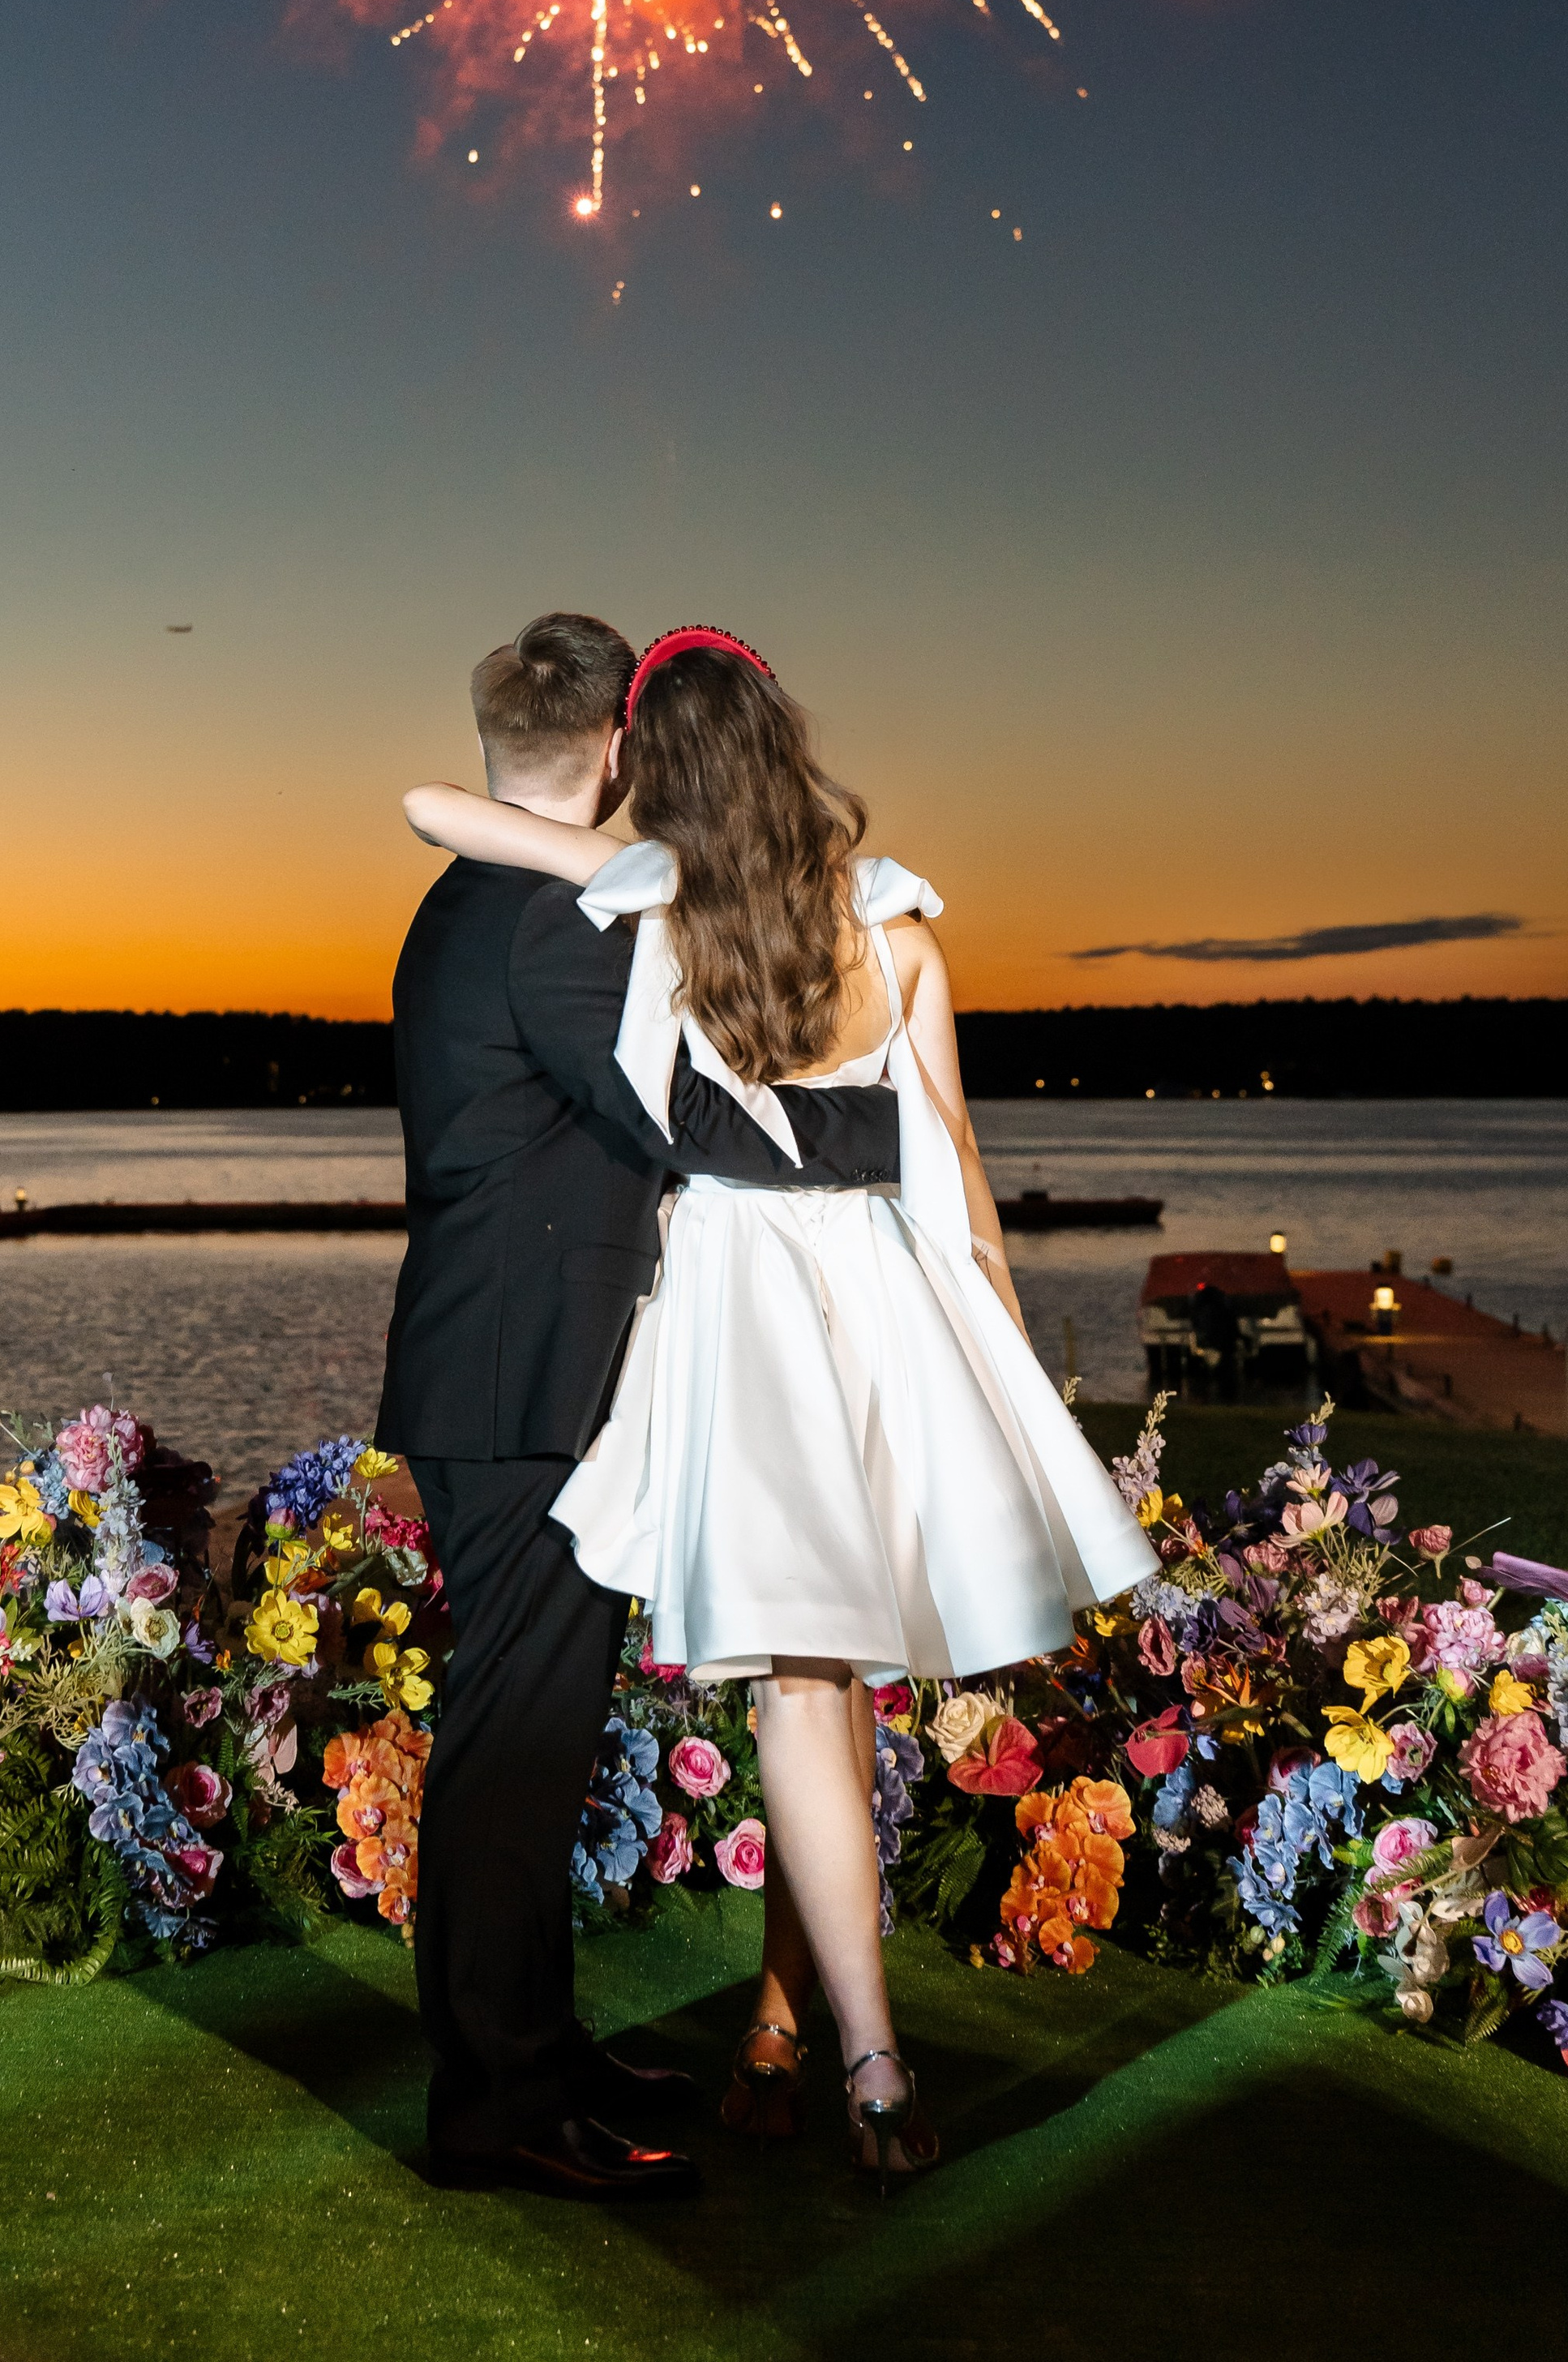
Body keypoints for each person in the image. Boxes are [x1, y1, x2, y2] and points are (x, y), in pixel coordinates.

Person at [405, 627, 1158, 2191]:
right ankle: (541, 2095)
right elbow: (810, 1141)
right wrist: (924, 1197)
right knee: (557, 1740)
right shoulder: (656, 931)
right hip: (593, 1368)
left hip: (621, 1355)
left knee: (642, 1719)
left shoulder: (574, 904)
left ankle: (591, 2052)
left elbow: (445, 809)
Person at [378, 613, 902, 2203]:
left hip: (501, 1371)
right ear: (617, 751)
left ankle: (537, 2052)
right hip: (521, 1385)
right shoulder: (548, 921)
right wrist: (893, 1139)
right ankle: (494, 2109)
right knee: (511, 1755)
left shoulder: (467, 902)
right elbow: (682, 1123)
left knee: (527, 1742)